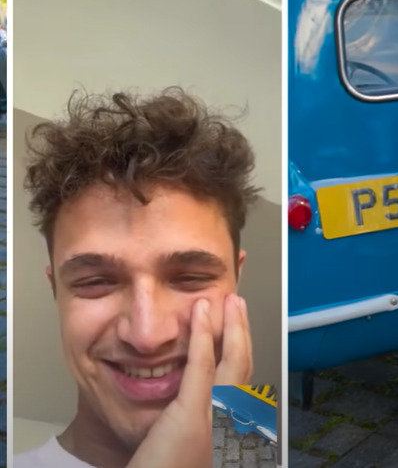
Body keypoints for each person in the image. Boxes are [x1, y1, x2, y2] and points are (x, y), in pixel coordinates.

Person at [14, 88, 260, 468]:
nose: (147, 336)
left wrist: (241, 423)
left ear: (236, 278)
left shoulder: (251, 426)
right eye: (95, 282)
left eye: (191, 278)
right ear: (54, 290)